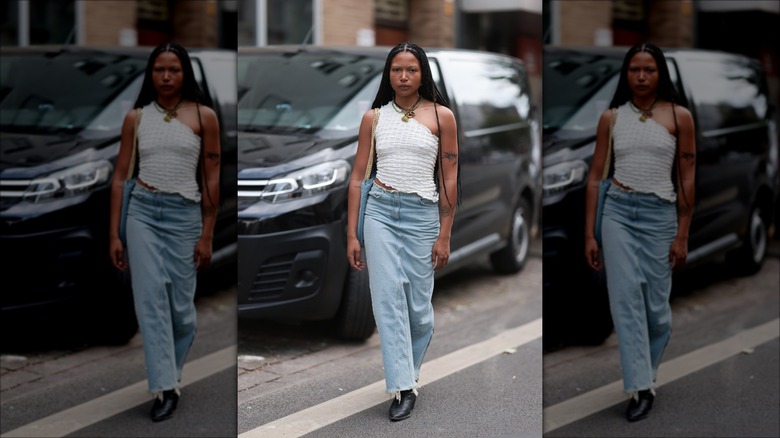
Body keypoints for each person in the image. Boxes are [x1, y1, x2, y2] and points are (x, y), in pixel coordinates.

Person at [347, 42, 459, 421]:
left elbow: (449, 177)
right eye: (397, 69)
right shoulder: (373, 118)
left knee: (418, 309)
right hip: (380, 211)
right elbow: (358, 178)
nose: (404, 76)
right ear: (388, 74)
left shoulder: (442, 116)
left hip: (423, 216)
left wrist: (445, 233)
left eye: (411, 69)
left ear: (423, 73)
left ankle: (408, 372)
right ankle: (402, 386)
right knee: (387, 300)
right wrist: (352, 234)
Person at [109, 42, 221, 422]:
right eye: (160, 70)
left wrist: (207, 233)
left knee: (181, 310)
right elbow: (121, 178)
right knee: (149, 300)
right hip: (142, 211)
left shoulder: (204, 116)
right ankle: (165, 386)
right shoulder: (136, 118)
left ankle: (170, 373)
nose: (167, 76)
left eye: (174, 69)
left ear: (185, 73)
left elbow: (211, 177)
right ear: (151, 74)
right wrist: (115, 234)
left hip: (184, 215)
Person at [584, 42, 695, 422]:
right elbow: (596, 177)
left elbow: (687, 177)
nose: (642, 76)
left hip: (660, 215)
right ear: (626, 74)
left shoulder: (680, 117)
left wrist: (682, 233)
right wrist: (590, 234)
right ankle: (640, 387)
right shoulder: (611, 118)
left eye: (649, 69)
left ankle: (645, 373)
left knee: (657, 311)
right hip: (618, 212)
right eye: (635, 69)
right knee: (625, 301)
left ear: (661, 73)